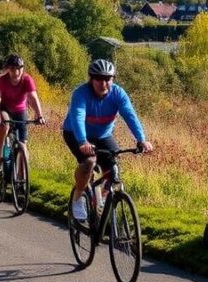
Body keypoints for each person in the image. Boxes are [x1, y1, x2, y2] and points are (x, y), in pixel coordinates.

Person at [63, 59, 153, 220]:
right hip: (76, 133)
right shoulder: (81, 93)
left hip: (103, 135)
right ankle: (77, 199)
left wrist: (141, 139)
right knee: (89, 162)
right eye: (99, 78)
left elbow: (130, 115)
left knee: (113, 170)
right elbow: (78, 116)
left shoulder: (118, 93)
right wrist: (83, 141)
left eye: (108, 79)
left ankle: (102, 200)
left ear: (113, 79)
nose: (103, 83)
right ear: (91, 79)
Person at [0, 54, 46, 172]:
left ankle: (21, 178)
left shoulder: (27, 80)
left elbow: (33, 98)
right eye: (12, 69)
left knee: (23, 145)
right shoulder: (1, 80)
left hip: (20, 111)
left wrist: (39, 114)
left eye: (19, 68)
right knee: (4, 127)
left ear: (23, 68)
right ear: (8, 69)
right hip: (4, 109)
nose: (16, 72)